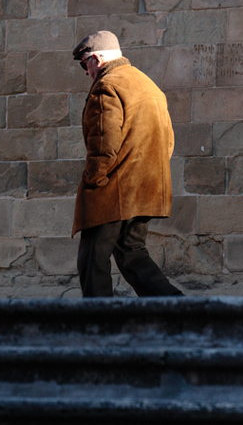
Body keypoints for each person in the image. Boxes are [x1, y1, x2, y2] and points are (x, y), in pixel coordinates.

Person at [72, 31, 182, 297]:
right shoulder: (147, 84)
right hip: (148, 190)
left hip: (114, 192)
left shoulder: (106, 85)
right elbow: (168, 141)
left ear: (96, 59)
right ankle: (178, 310)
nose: (86, 72)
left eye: (85, 64)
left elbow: (104, 141)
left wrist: (93, 181)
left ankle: (101, 326)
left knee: (92, 260)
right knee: (132, 254)